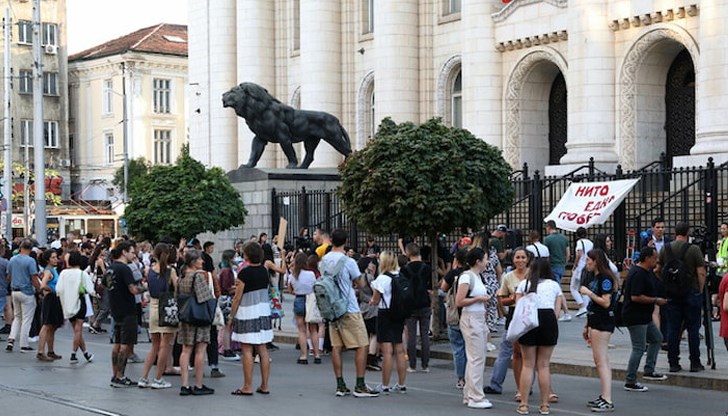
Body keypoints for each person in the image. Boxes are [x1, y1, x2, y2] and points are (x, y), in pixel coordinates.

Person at [321, 228, 379, 398]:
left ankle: (340, 385)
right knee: (362, 344)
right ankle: (360, 385)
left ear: (331, 240)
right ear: (346, 242)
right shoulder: (348, 261)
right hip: (348, 308)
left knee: (337, 347)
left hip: (332, 308)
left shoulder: (324, 260)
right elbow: (360, 284)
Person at [516, 258, 564, 415]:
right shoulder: (554, 285)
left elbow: (519, 308)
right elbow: (557, 312)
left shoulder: (524, 285)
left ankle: (523, 404)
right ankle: (544, 405)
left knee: (527, 364)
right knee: (543, 365)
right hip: (548, 319)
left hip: (530, 320)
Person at [656, 222, 706, 373]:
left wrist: (666, 284)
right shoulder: (694, 249)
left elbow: (658, 269)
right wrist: (700, 289)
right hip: (691, 292)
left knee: (673, 328)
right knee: (693, 328)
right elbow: (701, 272)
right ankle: (695, 362)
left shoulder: (666, 248)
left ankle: (673, 362)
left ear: (674, 232)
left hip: (672, 294)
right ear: (688, 233)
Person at [484, 247, 529, 397]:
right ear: (513, 259)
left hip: (530, 316)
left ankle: (527, 385)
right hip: (514, 314)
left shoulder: (533, 276)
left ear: (528, 259)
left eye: (523, 257)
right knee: (506, 350)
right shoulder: (508, 277)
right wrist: (512, 299)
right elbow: (501, 298)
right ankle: (496, 384)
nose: (520, 260)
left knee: (528, 353)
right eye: (517, 257)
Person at [622, 246, 668, 393]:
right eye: (655, 258)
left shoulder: (646, 272)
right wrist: (655, 300)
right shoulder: (637, 274)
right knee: (639, 347)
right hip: (635, 316)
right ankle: (630, 380)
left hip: (644, 316)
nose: (657, 260)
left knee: (656, 338)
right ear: (647, 258)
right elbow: (635, 296)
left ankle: (649, 369)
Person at [230, 242, 272, 396]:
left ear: (247, 255)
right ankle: (265, 385)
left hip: (248, 311)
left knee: (247, 348)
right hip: (263, 310)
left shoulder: (244, 273)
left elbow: (237, 297)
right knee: (262, 348)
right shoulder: (264, 271)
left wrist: (231, 316)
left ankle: (247, 386)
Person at [579, 249, 617, 412]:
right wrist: (587, 324)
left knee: (601, 360)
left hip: (603, 321)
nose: (586, 263)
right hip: (595, 319)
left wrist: (589, 292)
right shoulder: (596, 278)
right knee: (599, 360)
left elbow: (605, 302)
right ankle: (604, 396)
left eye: (588, 260)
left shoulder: (605, 278)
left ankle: (607, 398)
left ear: (596, 261)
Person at [455, 247, 492, 409]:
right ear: (478, 261)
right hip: (471, 318)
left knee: (476, 358)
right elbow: (459, 301)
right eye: (485, 259)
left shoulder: (475, 276)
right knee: (476, 358)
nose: (487, 261)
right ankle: (475, 396)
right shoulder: (467, 277)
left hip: (477, 318)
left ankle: (470, 394)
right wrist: (478, 298)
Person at [138, 243, 178, 389]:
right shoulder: (170, 271)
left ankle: (143, 377)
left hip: (153, 308)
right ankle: (158, 378)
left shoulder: (149, 271)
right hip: (166, 308)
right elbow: (177, 289)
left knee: (154, 346)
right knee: (165, 346)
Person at [108, 241, 148, 388]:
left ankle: (115, 375)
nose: (134, 254)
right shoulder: (124, 269)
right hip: (127, 309)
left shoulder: (110, 268)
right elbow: (133, 289)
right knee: (125, 345)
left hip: (115, 308)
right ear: (124, 252)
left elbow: (107, 286)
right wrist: (144, 287)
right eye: (131, 252)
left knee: (117, 344)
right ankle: (121, 376)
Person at [177, 249, 215, 396]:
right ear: (193, 262)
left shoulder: (182, 276)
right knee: (200, 350)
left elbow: (177, 296)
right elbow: (204, 297)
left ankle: (184, 385)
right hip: (199, 317)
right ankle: (198, 384)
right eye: (200, 259)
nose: (202, 261)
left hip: (186, 316)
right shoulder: (197, 277)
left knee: (185, 350)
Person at [370, 250, 408, 394]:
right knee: (399, 350)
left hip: (385, 313)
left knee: (387, 351)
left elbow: (375, 299)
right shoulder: (400, 276)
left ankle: (385, 385)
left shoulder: (382, 278)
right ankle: (401, 384)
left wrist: (371, 300)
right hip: (398, 313)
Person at [55, 251, 96, 364]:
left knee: (76, 331)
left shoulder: (63, 273)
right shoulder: (82, 274)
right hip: (79, 302)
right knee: (78, 330)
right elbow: (91, 290)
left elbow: (58, 290)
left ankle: (86, 353)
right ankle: (73, 354)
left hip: (68, 303)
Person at [402, 243, 433, 373]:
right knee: (425, 334)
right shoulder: (427, 268)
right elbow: (431, 286)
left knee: (412, 335)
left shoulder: (404, 269)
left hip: (410, 303)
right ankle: (425, 365)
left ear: (408, 253)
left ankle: (412, 364)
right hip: (424, 301)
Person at [440, 249, 468, 389]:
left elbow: (443, 287)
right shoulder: (472, 274)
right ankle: (470, 376)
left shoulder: (453, 274)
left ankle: (461, 378)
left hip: (455, 315)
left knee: (458, 349)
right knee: (470, 348)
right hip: (469, 315)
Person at [6, 239, 40, 353]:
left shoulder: (12, 259)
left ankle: (11, 339)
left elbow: (9, 276)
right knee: (27, 319)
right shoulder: (30, 261)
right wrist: (39, 290)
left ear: (20, 248)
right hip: (27, 292)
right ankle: (24, 344)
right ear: (30, 249)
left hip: (14, 291)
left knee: (17, 317)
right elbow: (34, 278)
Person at [288, 252, 318, 364]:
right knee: (313, 329)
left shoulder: (293, 275)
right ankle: (317, 354)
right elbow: (314, 287)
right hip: (310, 300)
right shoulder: (311, 274)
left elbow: (290, 290)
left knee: (302, 330)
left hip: (299, 299)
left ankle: (304, 355)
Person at [36, 249, 64, 361]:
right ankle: (40, 351)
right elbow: (42, 285)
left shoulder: (52, 270)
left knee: (52, 325)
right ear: (48, 259)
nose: (56, 259)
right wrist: (50, 289)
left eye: (56, 257)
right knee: (47, 324)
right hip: (51, 298)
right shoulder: (48, 271)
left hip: (54, 298)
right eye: (53, 257)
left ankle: (50, 351)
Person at [543, 220, 572, 321]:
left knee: (558, 290)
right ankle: (562, 311)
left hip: (552, 266)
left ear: (549, 227)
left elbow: (546, 254)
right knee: (558, 288)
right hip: (561, 266)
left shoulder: (547, 239)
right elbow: (568, 253)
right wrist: (565, 263)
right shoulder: (564, 238)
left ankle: (566, 312)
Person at [571, 227, 594, 318]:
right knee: (584, 288)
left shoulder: (579, 242)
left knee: (573, 288)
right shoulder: (590, 243)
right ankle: (586, 307)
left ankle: (581, 306)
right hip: (588, 267)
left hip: (580, 267)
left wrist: (575, 264)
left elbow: (579, 254)